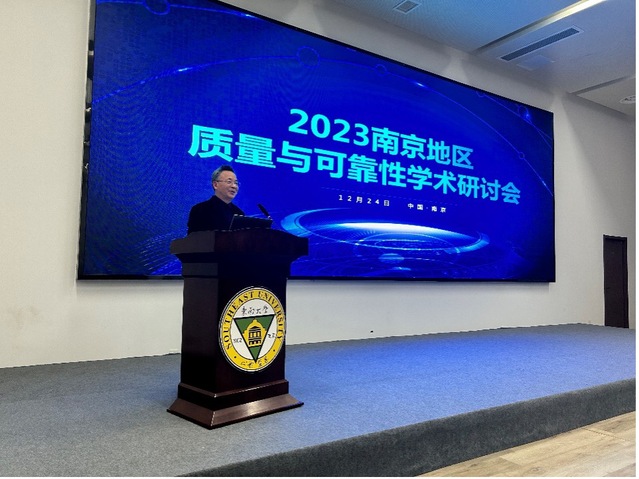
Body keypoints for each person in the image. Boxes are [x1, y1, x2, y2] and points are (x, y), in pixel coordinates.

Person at [187, 165, 245, 233]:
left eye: (236, 183)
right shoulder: (200, 210)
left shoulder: (239, 214)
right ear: (215, 185)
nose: (234, 186)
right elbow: (193, 238)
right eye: (229, 182)